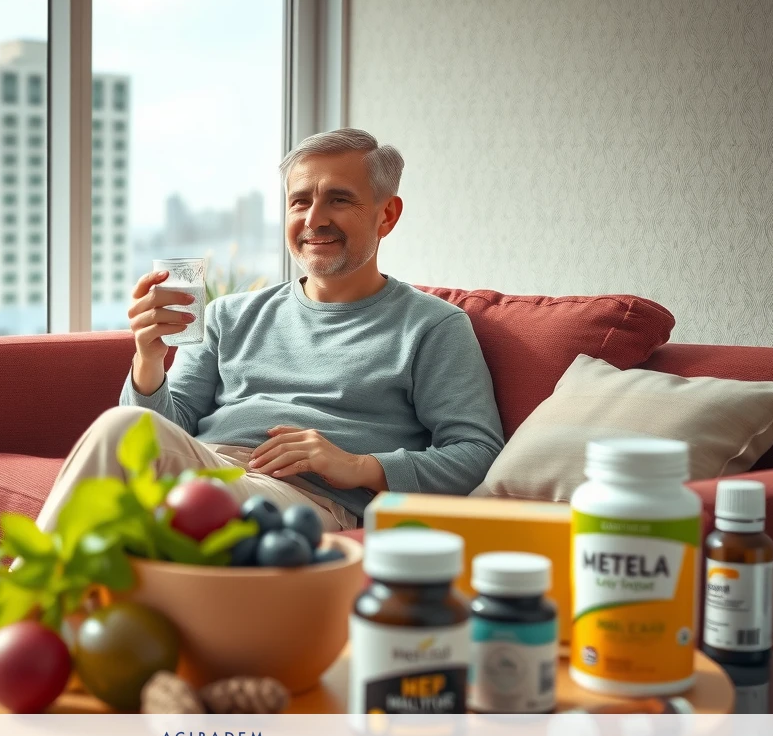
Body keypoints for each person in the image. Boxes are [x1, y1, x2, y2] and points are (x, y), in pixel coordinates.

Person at [36, 128, 504, 532]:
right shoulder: (229, 315)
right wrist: (148, 361)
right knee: (125, 430)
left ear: (387, 215)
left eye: (339, 199)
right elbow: (164, 432)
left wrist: (357, 466)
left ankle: (19, 615)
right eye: (300, 201)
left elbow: (478, 453)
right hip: (210, 468)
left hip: (307, 500)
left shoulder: (433, 325)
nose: (313, 219)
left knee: (121, 456)